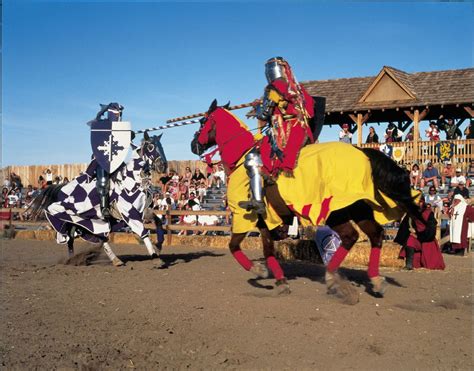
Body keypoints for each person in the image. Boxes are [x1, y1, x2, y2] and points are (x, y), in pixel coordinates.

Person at [395, 197, 445, 270]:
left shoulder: (428, 213)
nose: (418, 204)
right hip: (416, 237)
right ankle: (409, 264)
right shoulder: (411, 213)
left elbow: (431, 230)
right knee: (410, 240)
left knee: (431, 265)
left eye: (420, 202)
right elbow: (404, 226)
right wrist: (401, 238)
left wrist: (418, 235)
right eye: (416, 202)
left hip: (427, 238)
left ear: (423, 202)